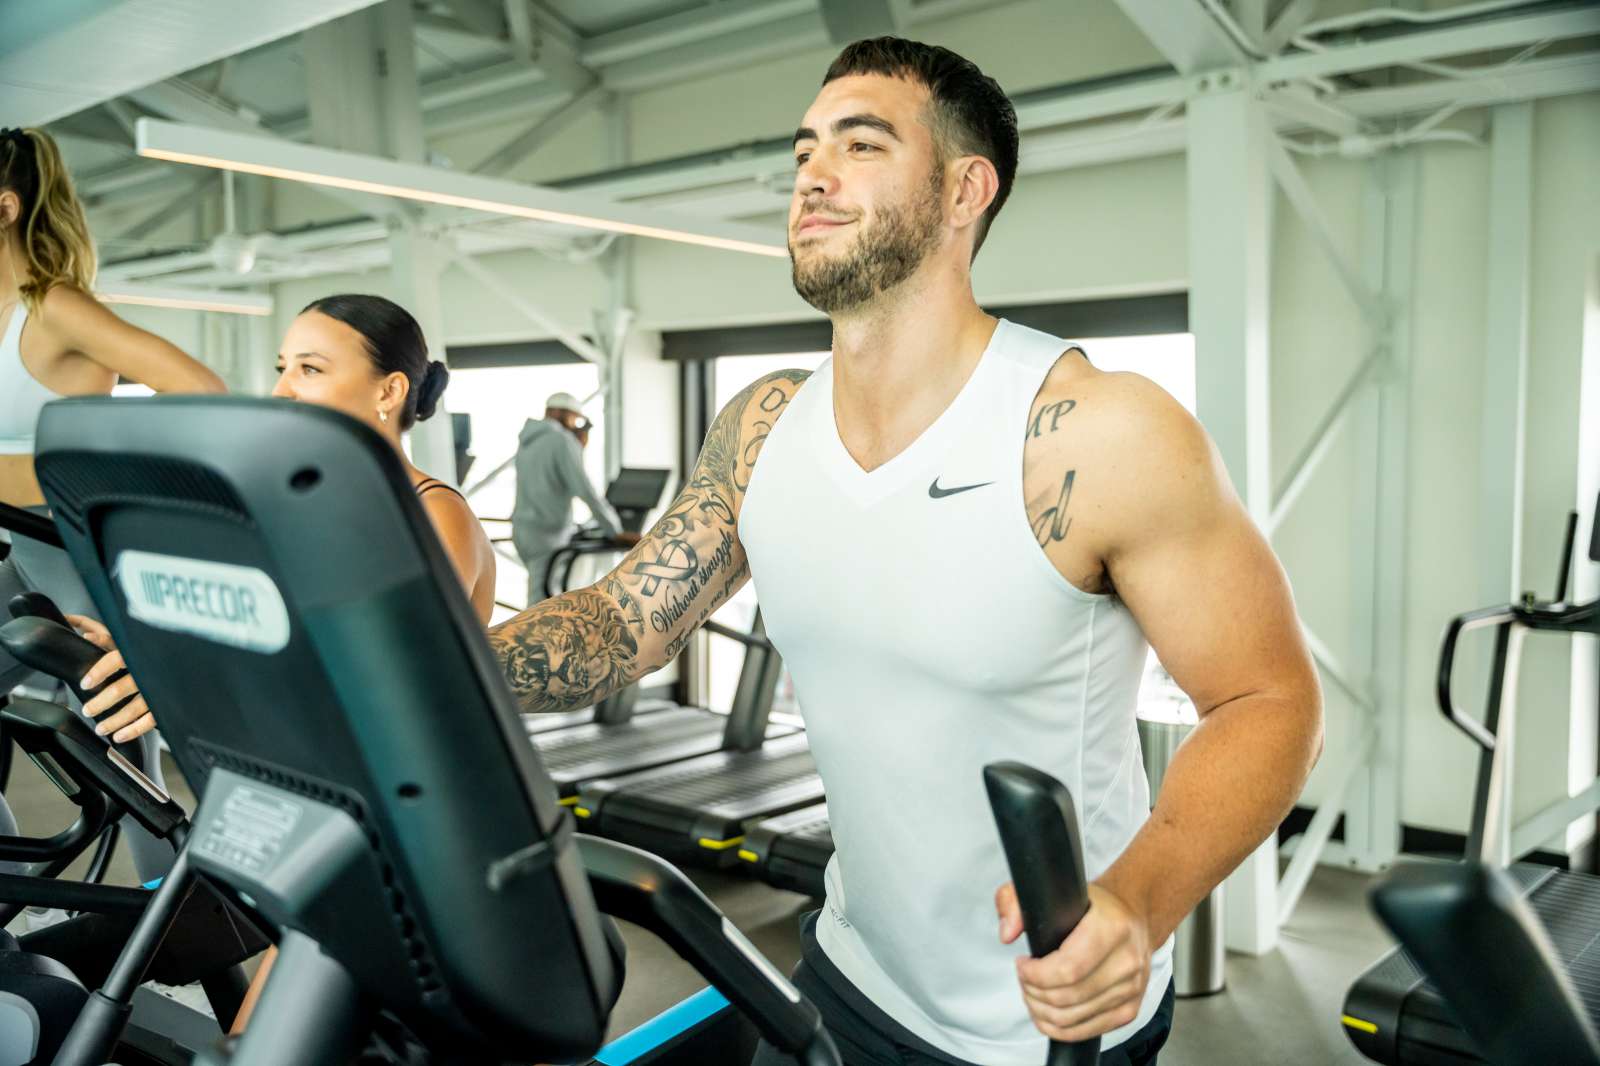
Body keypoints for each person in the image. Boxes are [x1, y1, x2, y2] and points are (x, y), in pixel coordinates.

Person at [489, 37, 1323, 1066]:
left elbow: (1269, 701)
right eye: (803, 152)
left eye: (861, 144)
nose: (812, 176)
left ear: (966, 188)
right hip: (846, 965)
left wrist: (1137, 906)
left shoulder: (1091, 433)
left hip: (1045, 1021)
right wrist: (414, 670)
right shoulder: (762, 431)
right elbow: (619, 623)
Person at [72, 292, 497, 1032]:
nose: (280, 388)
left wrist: (183, 678)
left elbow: (361, 674)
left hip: (409, 846)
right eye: (281, 366)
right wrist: (143, 648)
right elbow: (247, 634)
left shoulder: (435, 515)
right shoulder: (292, 517)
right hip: (312, 821)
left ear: (388, 391)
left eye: (308, 367)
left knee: (270, 1036)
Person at [0, 124, 225, 884]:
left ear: (4, 207)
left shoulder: (52, 307)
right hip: (16, 551)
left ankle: (190, 920)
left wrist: (114, 478)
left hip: (69, 553)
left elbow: (201, 390)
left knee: (122, 757)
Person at [511, 392, 639, 605]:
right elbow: (585, 489)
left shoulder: (528, 439)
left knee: (542, 593)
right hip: (547, 536)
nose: (575, 425)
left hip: (523, 531)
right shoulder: (561, 440)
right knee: (541, 604)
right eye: (574, 418)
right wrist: (614, 530)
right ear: (561, 413)